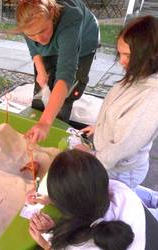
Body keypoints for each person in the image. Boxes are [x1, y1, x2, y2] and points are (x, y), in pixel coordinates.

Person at [78, 15, 158, 215]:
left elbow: (123, 146)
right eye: (119, 53)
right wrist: (100, 128)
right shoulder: (139, 74)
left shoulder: (151, 98)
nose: (121, 61)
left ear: (150, 55)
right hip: (112, 162)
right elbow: (120, 115)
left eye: (128, 56)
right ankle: (148, 199)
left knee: (115, 206)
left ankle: (147, 213)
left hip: (122, 170)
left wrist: (91, 159)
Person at [27, 150, 158, 250]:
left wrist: (45, 243)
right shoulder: (120, 190)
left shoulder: (81, 244)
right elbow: (86, 190)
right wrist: (54, 197)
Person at [14, 0, 99, 143]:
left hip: (83, 42)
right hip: (54, 32)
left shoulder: (71, 18)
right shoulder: (26, 15)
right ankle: (36, 132)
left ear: (52, 13)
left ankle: (54, 138)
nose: (39, 39)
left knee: (66, 94)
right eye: (31, 35)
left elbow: (65, 76)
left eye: (42, 31)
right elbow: (34, 48)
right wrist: (40, 70)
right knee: (42, 89)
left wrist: (46, 122)